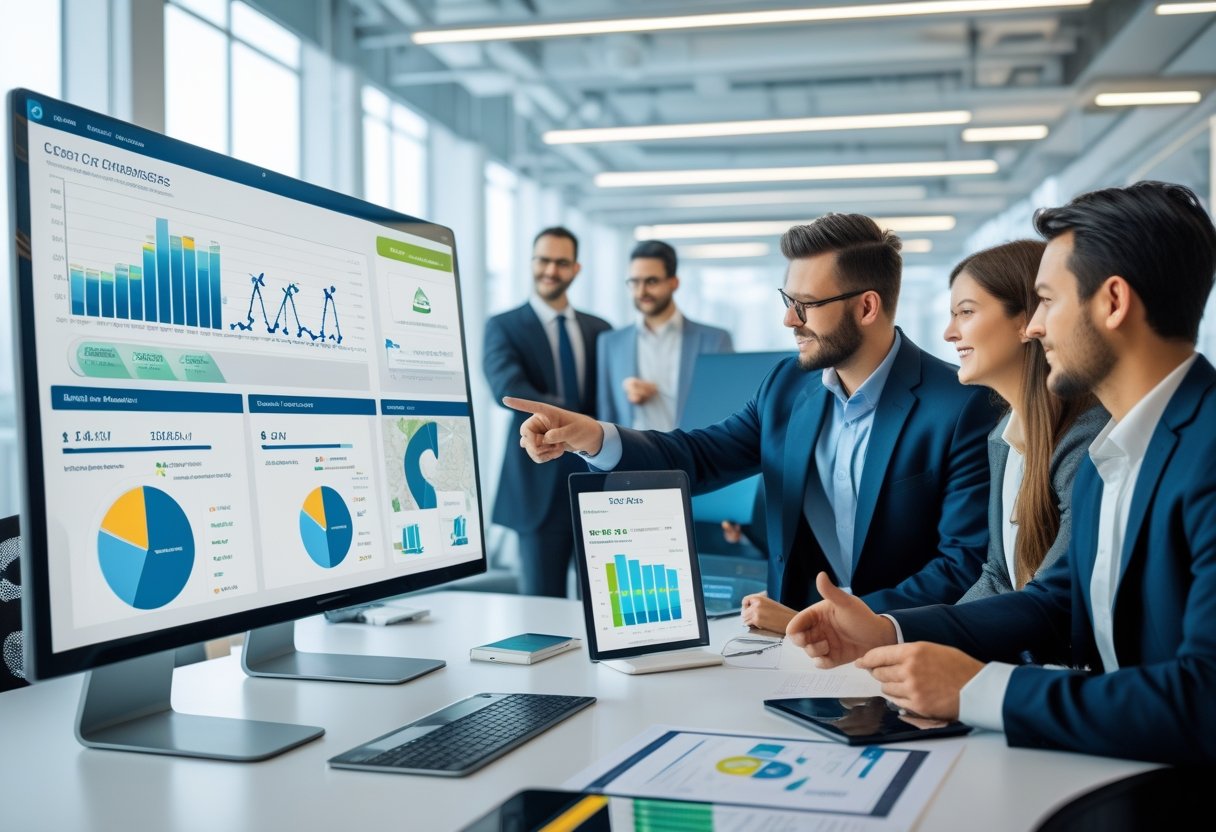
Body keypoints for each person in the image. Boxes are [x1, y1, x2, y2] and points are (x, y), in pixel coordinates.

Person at [788, 181, 1216, 764]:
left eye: (1046, 300)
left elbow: (1205, 698)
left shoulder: (1205, 451)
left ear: (1112, 302)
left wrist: (975, 690)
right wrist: (888, 630)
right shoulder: (1108, 457)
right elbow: (1052, 602)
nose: (1035, 327)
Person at [506, 213, 1000, 625]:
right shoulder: (787, 385)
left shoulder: (959, 405)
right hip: (797, 644)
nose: (789, 320)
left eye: (805, 305)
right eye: (788, 302)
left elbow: (962, 565)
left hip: (909, 644)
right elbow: (698, 456)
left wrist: (836, 621)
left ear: (867, 306)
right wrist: (594, 436)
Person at [944, 240, 1107, 600]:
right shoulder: (1003, 438)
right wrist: (901, 636)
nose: (949, 333)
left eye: (965, 312)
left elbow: (1051, 600)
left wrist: (901, 636)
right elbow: (998, 576)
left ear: (1026, 321)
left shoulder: (1087, 436)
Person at [483, 227, 612, 597]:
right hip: (536, 486)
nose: (550, 270)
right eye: (543, 260)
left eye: (561, 262)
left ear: (576, 268)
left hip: (596, 479)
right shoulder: (503, 326)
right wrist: (577, 420)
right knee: (542, 606)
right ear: (531, 263)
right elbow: (507, 390)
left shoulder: (600, 329)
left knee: (604, 603)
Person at [597, 240, 734, 431]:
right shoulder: (610, 343)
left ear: (673, 283)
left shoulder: (715, 340)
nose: (641, 291)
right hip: (634, 456)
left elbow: (725, 409)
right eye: (634, 282)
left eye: (651, 281)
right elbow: (606, 416)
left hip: (694, 453)